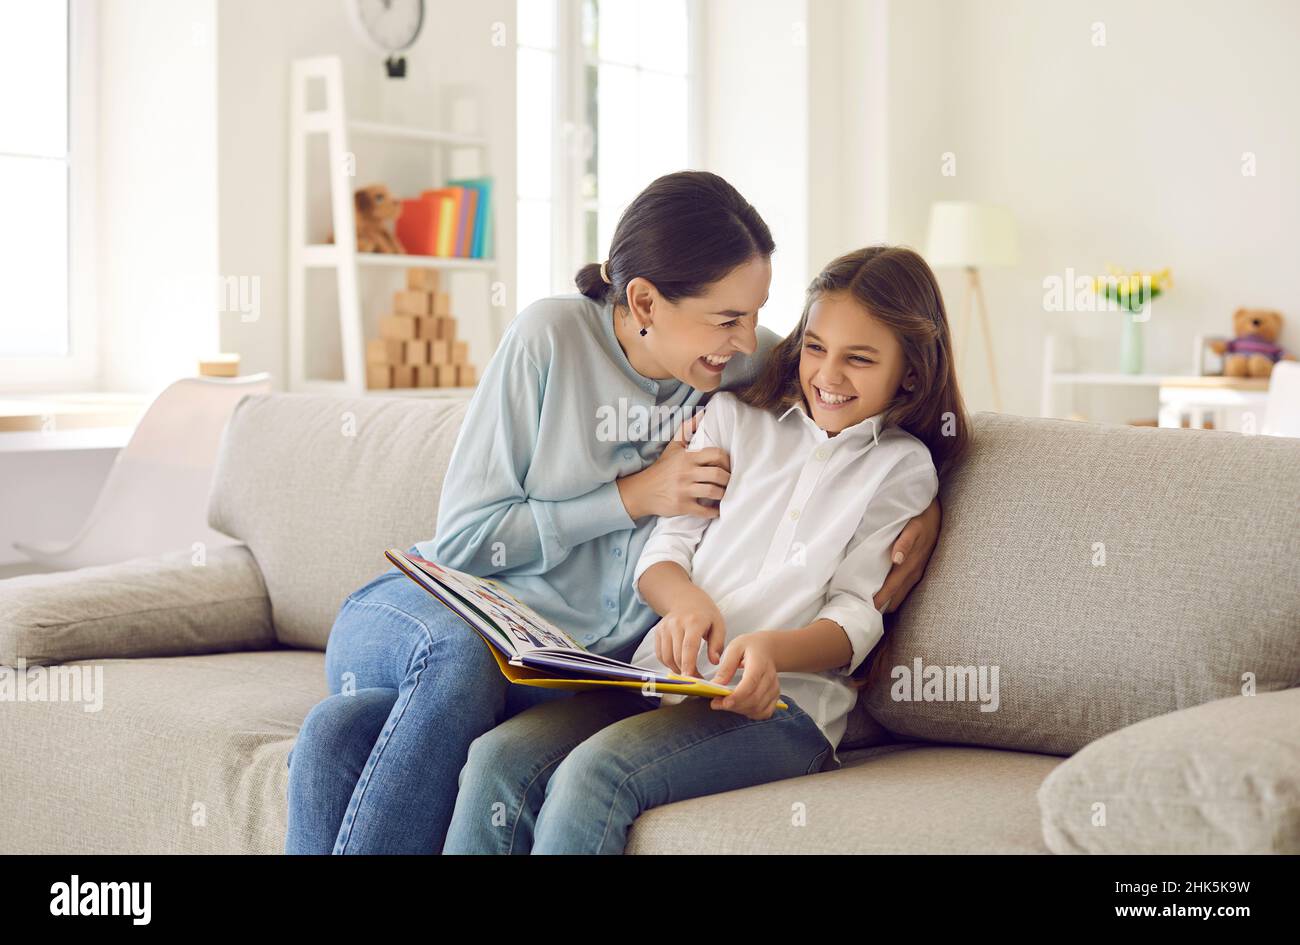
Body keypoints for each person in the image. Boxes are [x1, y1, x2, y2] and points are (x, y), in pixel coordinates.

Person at [284, 172, 943, 854]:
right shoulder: (551, 338)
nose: (749, 339)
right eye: (727, 318)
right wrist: (634, 495)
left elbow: (881, 390)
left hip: (560, 671)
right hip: (440, 611)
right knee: (457, 662)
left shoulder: (745, 371)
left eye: (756, 313)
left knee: (341, 732)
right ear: (645, 301)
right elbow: (466, 542)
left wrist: (930, 495)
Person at [442, 245, 968, 855]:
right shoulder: (735, 418)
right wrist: (684, 603)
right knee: (498, 756)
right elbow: (667, 549)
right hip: (662, 681)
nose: (828, 375)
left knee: (595, 774)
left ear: (910, 371)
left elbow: (857, 614)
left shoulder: (900, 469)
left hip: (783, 711)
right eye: (817, 348)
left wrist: (770, 651)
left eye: (860, 359)